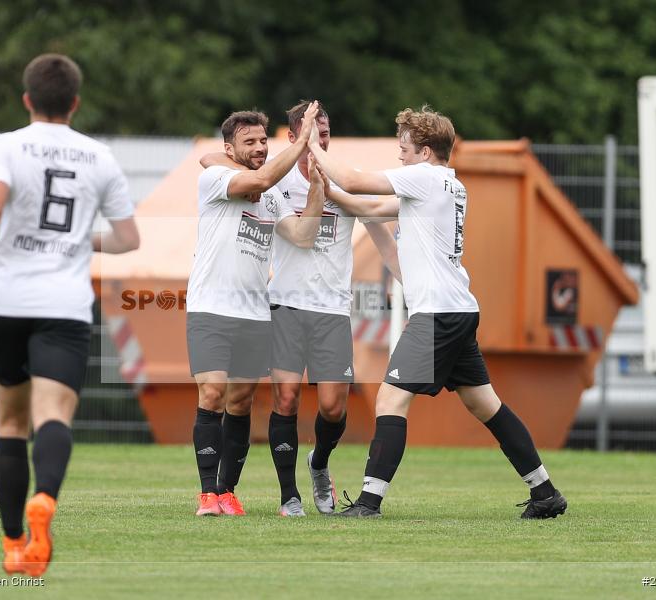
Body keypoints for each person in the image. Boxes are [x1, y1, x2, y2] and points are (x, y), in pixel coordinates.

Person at [306, 105, 568, 519]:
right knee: (487, 406)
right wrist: (326, 188)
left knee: (390, 400)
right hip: (459, 309)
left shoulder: (424, 178)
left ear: (426, 153)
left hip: (438, 314)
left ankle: (370, 503)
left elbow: (356, 181)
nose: (400, 157)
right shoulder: (447, 185)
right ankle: (545, 493)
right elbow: (370, 208)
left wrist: (309, 144)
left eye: (405, 149)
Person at [0, 53, 140, 575]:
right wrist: (79, 240)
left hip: (6, 299)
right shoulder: (99, 156)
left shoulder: (5, 146)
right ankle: (46, 501)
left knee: (10, 423)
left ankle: (14, 545)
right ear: (75, 103)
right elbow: (127, 239)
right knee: (52, 416)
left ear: (28, 99)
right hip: (63, 304)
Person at [201, 101, 400, 517]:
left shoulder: (343, 179)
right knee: (286, 397)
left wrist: (410, 282)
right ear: (292, 139)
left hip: (331, 310)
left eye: (325, 135)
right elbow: (214, 158)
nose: (319, 143)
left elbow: (380, 235)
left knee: (333, 407)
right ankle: (288, 496)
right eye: (311, 135)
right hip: (285, 304)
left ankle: (319, 463)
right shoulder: (274, 179)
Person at [187, 103, 321, 517]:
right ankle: (207, 493)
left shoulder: (273, 193)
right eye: (250, 142)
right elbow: (259, 177)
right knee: (211, 393)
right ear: (230, 149)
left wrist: (317, 187)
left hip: (254, 314)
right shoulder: (215, 177)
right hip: (210, 308)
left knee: (241, 403)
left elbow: (301, 235)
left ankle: (227, 491)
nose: (261, 147)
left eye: (264, 140)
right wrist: (301, 142)